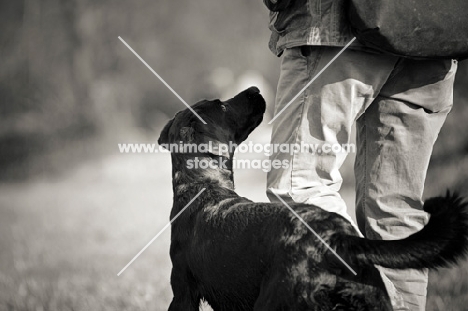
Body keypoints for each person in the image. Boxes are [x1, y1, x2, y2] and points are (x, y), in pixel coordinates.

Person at [263, 0, 458, 310]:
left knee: (300, 190)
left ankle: (377, 302)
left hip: (335, 29)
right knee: (395, 213)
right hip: (434, 35)